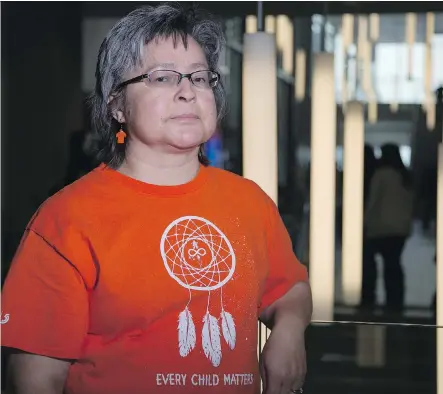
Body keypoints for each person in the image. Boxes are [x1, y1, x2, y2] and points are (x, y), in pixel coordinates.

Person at [1, 4, 312, 394]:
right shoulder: (66, 219)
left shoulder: (248, 201)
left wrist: (289, 330)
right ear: (116, 104)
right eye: (162, 77)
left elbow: (291, 289)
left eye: (200, 78)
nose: (187, 92)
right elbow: (35, 380)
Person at [361, 143, 414, 312]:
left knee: (370, 261)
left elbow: (373, 202)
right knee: (394, 264)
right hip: (400, 229)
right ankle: (395, 299)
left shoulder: (381, 175)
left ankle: (369, 296)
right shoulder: (405, 176)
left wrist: (364, 222)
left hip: (380, 228)